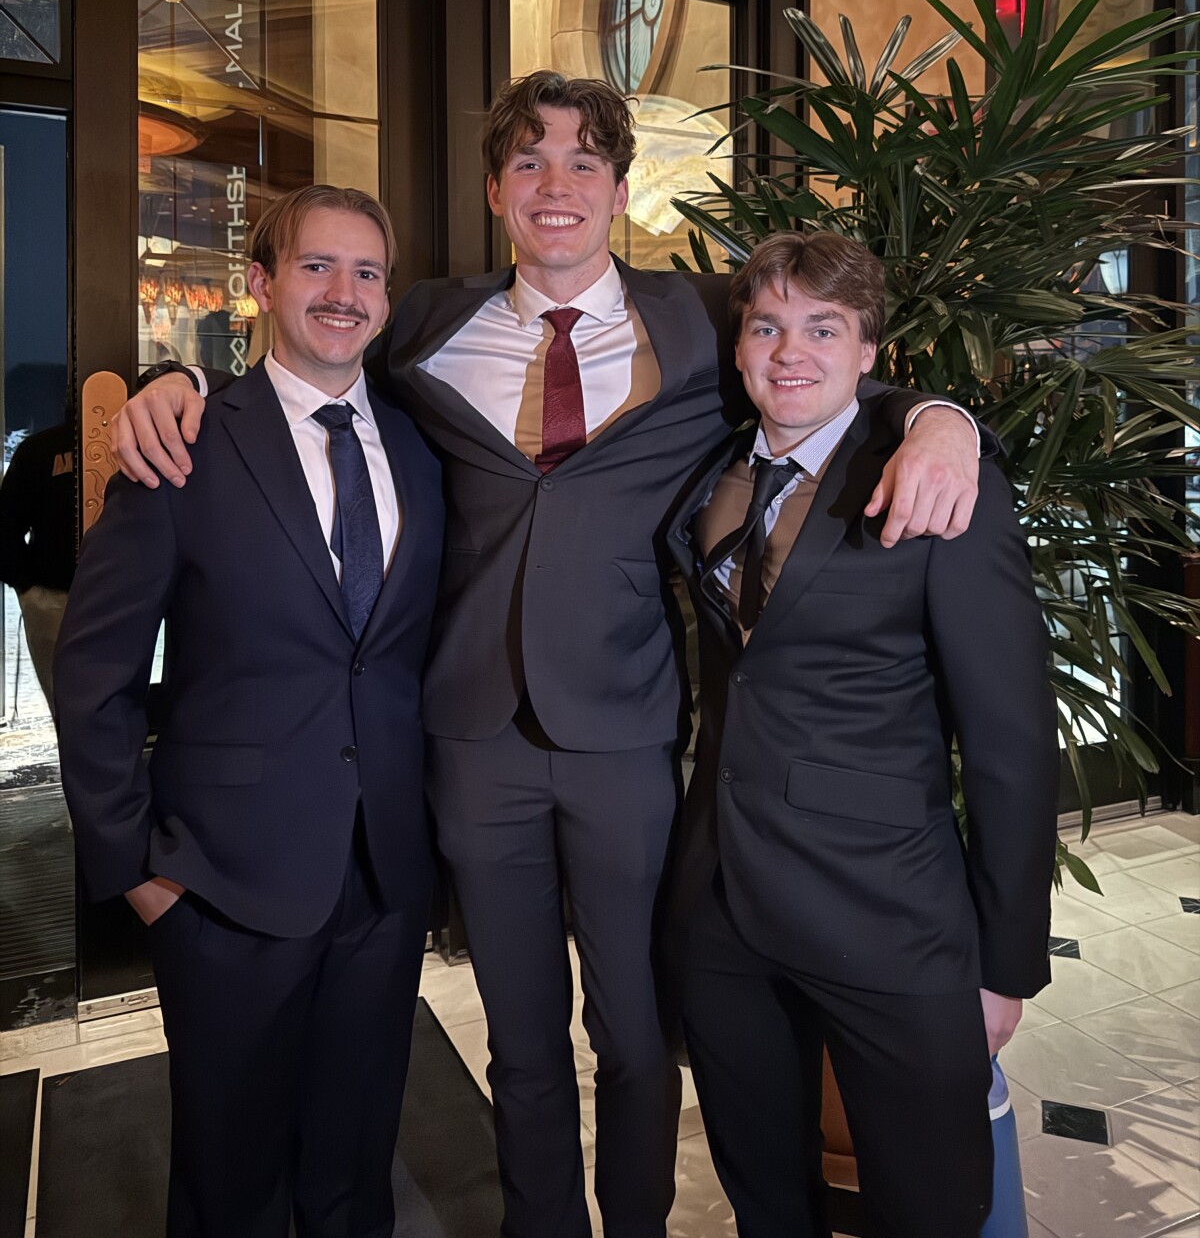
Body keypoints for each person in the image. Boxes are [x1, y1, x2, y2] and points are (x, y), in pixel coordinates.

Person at [111, 73, 988, 1238]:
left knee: (636, 1033)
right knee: (520, 1043)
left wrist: (942, 420)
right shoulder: (424, 318)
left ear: (621, 191)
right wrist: (178, 382)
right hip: (473, 743)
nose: (556, 183)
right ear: (496, 191)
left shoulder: (700, 317)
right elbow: (306, 364)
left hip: (625, 735)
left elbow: (818, 360)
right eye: (529, 161)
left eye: (584, 162)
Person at [55, 186, 444, 1238]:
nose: (344, 292)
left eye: (367, 272)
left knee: (354, 1171)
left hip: (383, 879)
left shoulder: (420, 450)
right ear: (263, 284)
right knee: (229, 1186)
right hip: (222, 885)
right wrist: (136, 871)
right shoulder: (183, 442)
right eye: (317, 266)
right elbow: (93, 672)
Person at [666, 231, 1059, 1238]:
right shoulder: (711, 468)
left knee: (930, 1206)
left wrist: (1005, 962)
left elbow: (1012, 741)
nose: (791, 351)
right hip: (723, 907)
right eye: (767, 327)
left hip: (888, 914)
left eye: (824, 328)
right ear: (739, 346)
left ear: (869, 350)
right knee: (763, 1197)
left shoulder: (937, 483)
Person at [0, 410, 75, 719]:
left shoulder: (137, 441)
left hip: (125, 597)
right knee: (66, 710)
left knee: (123, 707)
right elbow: (5, 526)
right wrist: (30, 590)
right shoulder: (40, 449)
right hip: (54, 596)